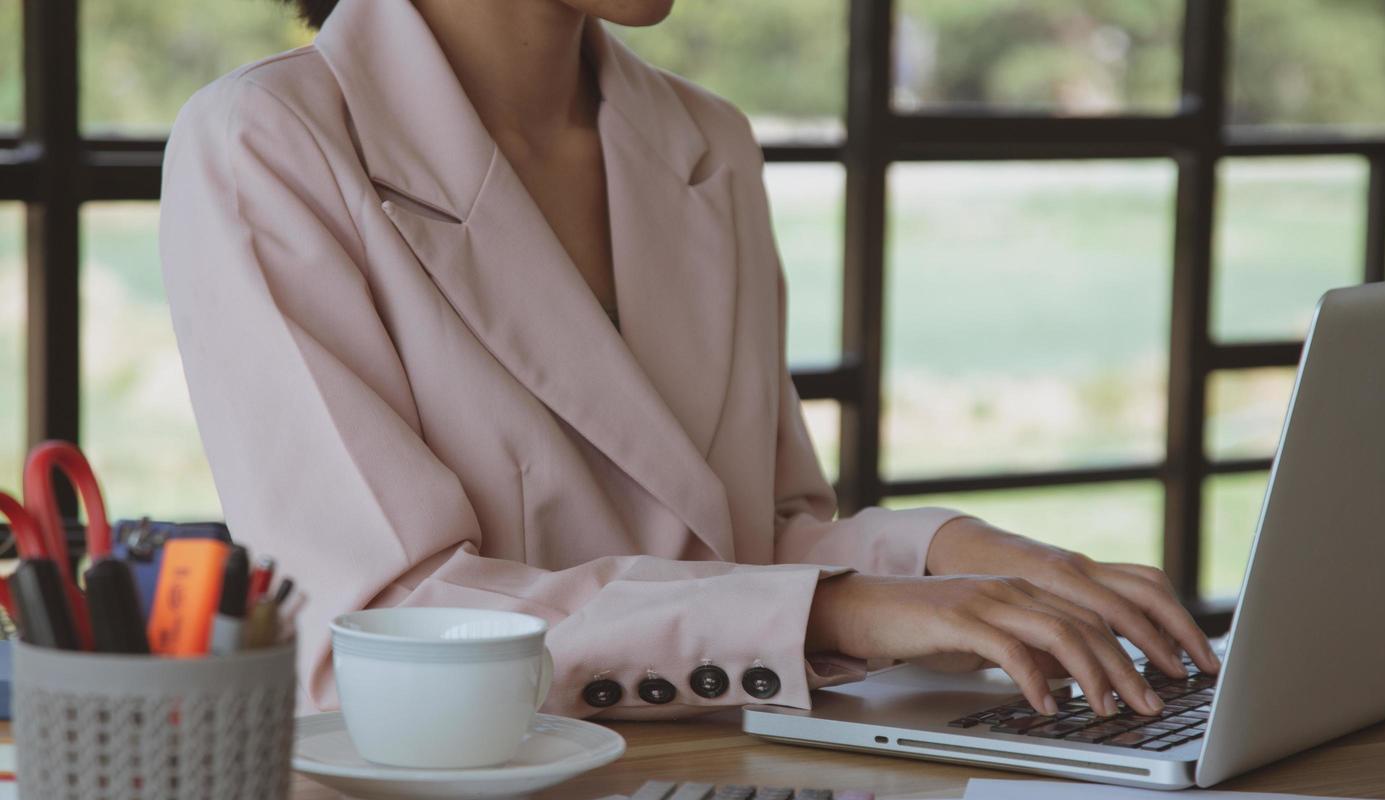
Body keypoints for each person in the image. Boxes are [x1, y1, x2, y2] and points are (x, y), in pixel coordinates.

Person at [159, 0, 1217, 719]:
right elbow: (376, 637)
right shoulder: (268, 144)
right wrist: (834, 608)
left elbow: (758, 532)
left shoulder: (706, 140)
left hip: (742, 796)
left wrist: (953, 556)